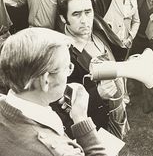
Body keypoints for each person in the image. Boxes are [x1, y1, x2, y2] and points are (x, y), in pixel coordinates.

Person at [54, 0, 129, 139]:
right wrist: (98, 96)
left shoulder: (94, 19)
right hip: (92, 127)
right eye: (76, 14)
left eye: (88, 12)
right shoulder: (60, 56)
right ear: (63, 19)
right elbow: (60, 109)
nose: (85, 19)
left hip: (116, 109)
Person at [0, 27, 107, 156]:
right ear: (46, 80)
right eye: (68, 67)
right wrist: (81, 118)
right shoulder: (58, 151)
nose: (69, 72)